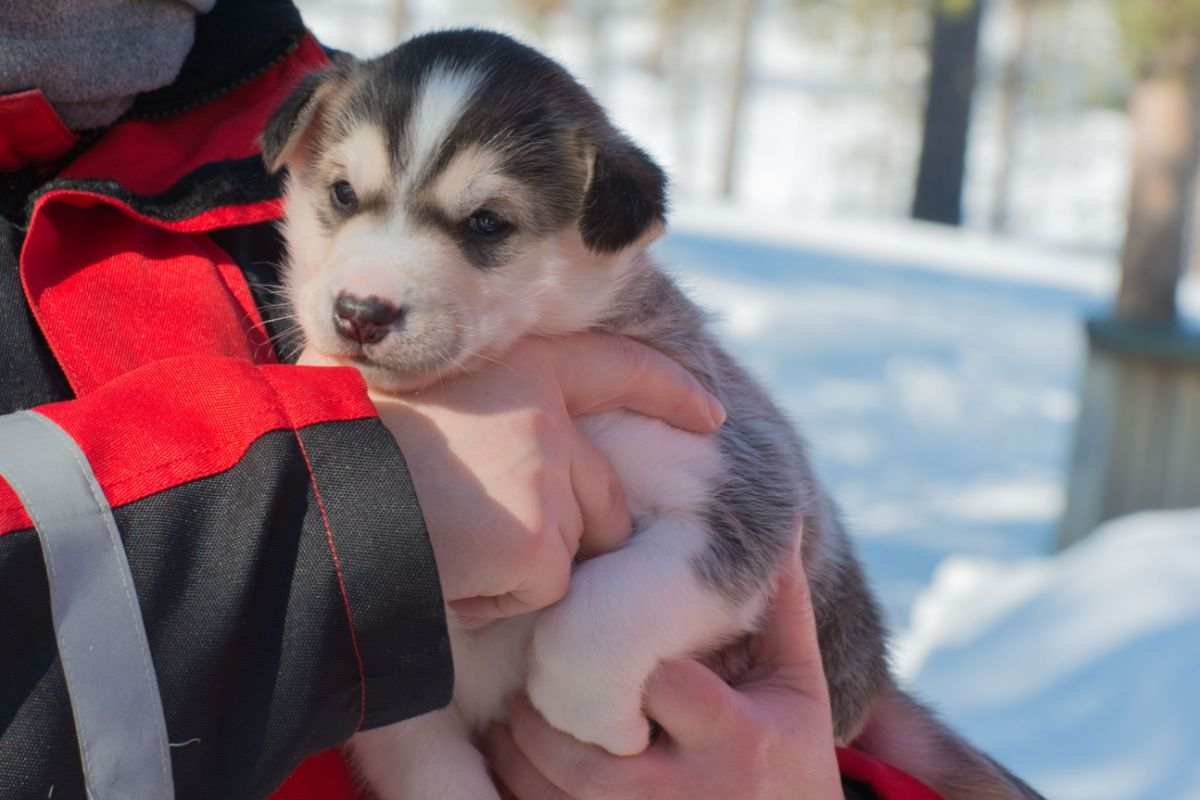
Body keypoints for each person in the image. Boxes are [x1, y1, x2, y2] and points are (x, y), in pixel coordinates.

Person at [0, 2, 943, 798]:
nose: (366, 288)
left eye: (484, 224)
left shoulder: (261, 113)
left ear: (608, 234)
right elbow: (381, 709)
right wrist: (344, 520)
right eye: (343, 198)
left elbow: (760, 564)